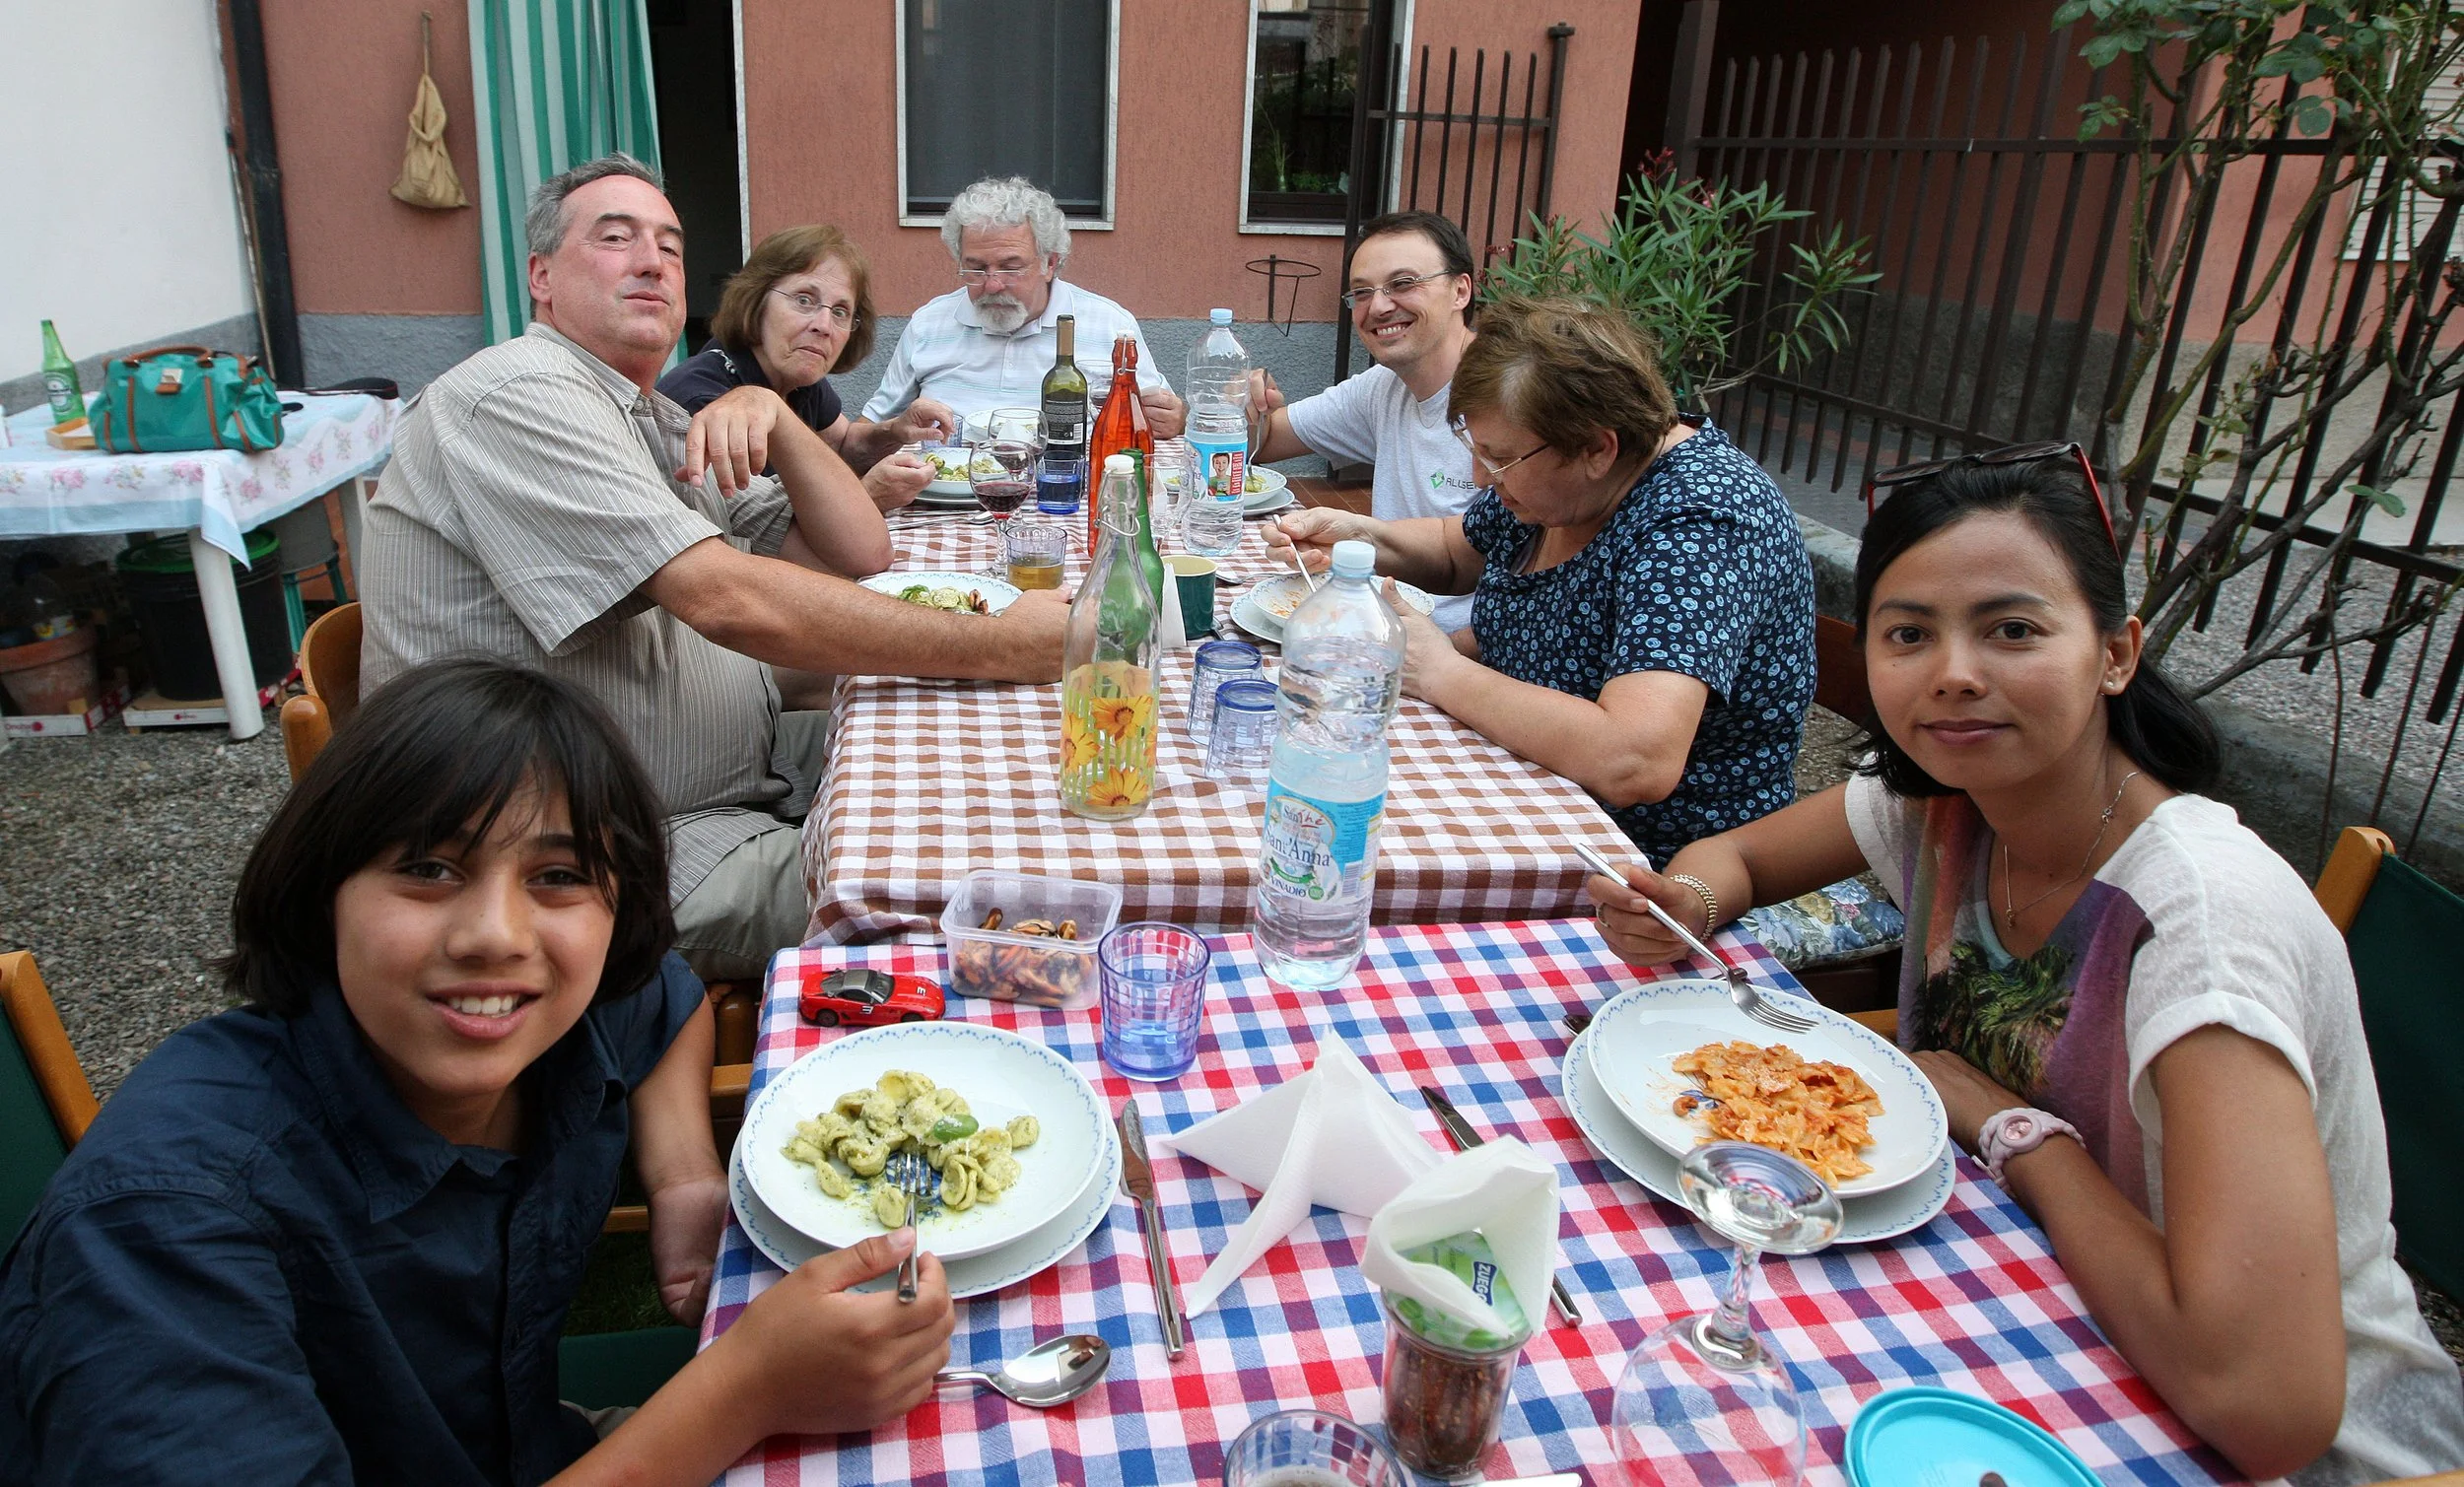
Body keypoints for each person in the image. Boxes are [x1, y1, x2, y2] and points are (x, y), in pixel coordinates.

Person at [1584, 452, 2464, 1485]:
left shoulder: (2201, 925)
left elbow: (2267, 1405)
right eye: (1909, 634)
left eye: (2011, 629)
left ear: (2115, 653)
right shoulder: (1944, 806)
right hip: (2024, 1305)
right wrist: (1687, 902)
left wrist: (2007, 1128)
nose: (1953, 671)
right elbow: (1735, 859)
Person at [0, 659, 957, 1486]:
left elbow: (661, 999)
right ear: (317, 890)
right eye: (428, 869)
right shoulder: (163, 1230)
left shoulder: (563, 1024)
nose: (496, 937)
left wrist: (685, 1176)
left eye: (558, 877)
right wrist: (741, 1390)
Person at [362, 154, 1066, 981]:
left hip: (740, 769)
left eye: (669, 242)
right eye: (615, 238)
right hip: (603, 847)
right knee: (997, 887)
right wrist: (999, 641)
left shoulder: (643, 412)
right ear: (542, 277)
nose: (653, 260)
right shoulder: (517, 395)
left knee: (996, 766)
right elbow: (726, 600)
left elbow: (856, 551)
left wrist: (775, 409)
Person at [1268, 296, 1814, 864]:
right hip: (1523, 793)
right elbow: (1460, 554)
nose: (1482, 478)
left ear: (1598, 448)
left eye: (1498, 459)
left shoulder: (1701, 523)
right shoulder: (1558, 482)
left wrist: (1439, 671)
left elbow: (1636, 760)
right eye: (1476, 452)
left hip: (1654, 863)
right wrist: (1359, 539)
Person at [1246, 210, 1483, 631]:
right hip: (1378, 623)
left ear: (1460, 290)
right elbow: (1263, 442)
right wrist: (1250, 408)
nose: (1378, 306)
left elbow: (1514, 570)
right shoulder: (1382, 386)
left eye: (1403, 284)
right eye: (1361, 292)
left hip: (1462, 650)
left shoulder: (1508, 399)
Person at [860, 174, 1186, 438]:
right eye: (975, 268)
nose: (992, 285)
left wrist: (1175, 418)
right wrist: (892, 431)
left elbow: (1161, 419)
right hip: (944, 497)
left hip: (1067, 497)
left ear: (1050, 263)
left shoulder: (1109, 325)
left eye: (1011, 267)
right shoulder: (929, 324)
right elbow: (869, 428)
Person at [657, 224, 948, 513]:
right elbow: (753, 532)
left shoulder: (796, 375)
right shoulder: (703, 400)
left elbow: (843, 446)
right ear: (756, 302)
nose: (823, 326)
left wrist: (896, 430)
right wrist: (867, 495)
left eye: (840, 312)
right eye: (804, 300)